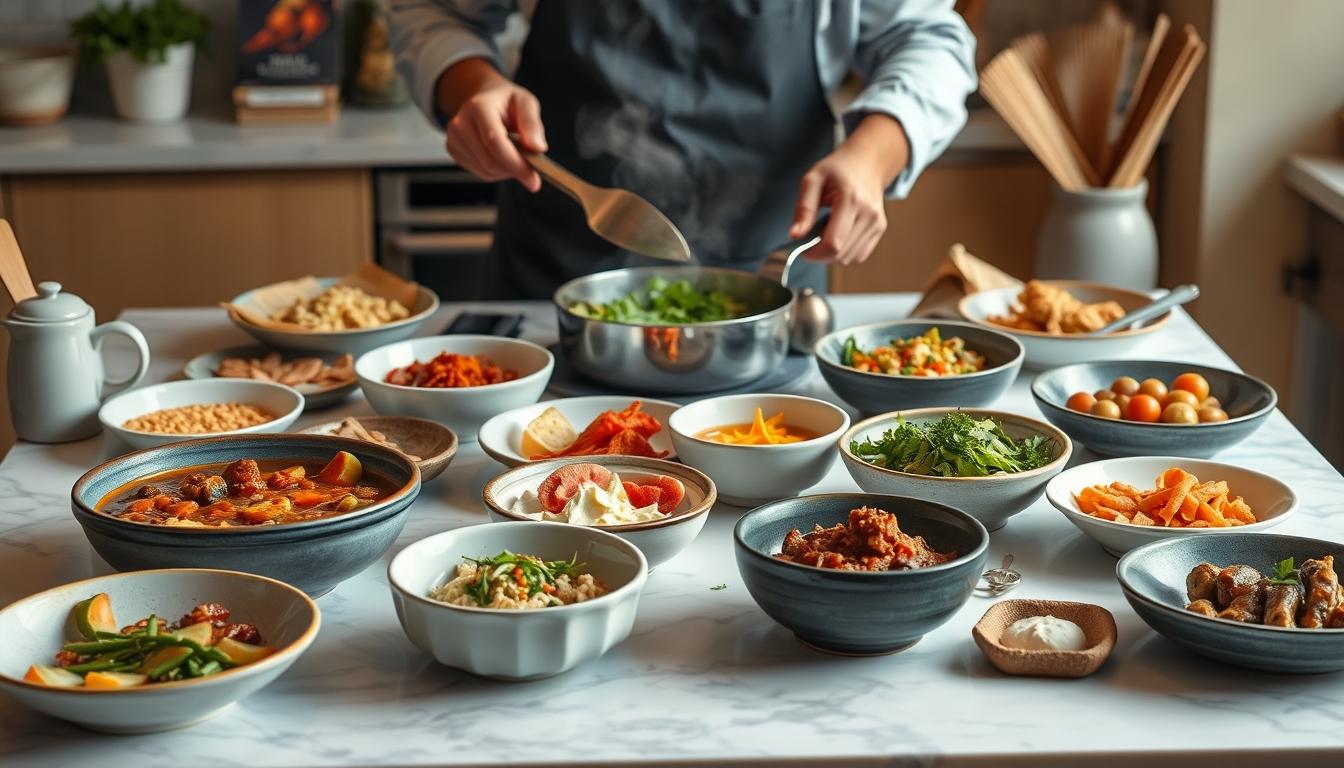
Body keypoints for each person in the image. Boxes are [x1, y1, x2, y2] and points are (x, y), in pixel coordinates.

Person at [390, 0, 976, 299]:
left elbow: (929, 38)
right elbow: (435, 10)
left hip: (771, 279)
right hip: (556, 280)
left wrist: (873, 155)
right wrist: (476, 86)